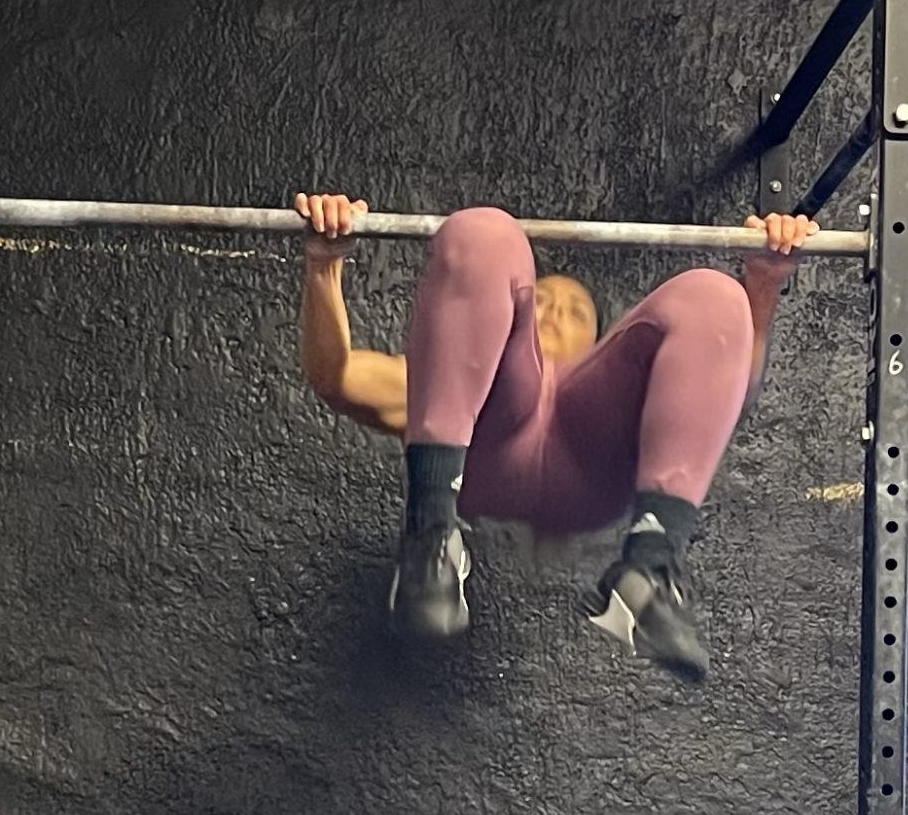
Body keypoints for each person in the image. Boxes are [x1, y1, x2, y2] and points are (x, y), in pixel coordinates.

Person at [293, 194, 815, 683]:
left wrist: (761, 288)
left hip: (591, 464)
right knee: (483, 236)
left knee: (716, 297)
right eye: (542, 300)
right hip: (484, 443)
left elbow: (718, 394)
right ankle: (430, 537)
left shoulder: (616, 394)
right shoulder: (448, 380)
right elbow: (338, 378)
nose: (553, 314)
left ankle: (652, 566)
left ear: (597, 342)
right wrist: (324, 264)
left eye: (575, 313)